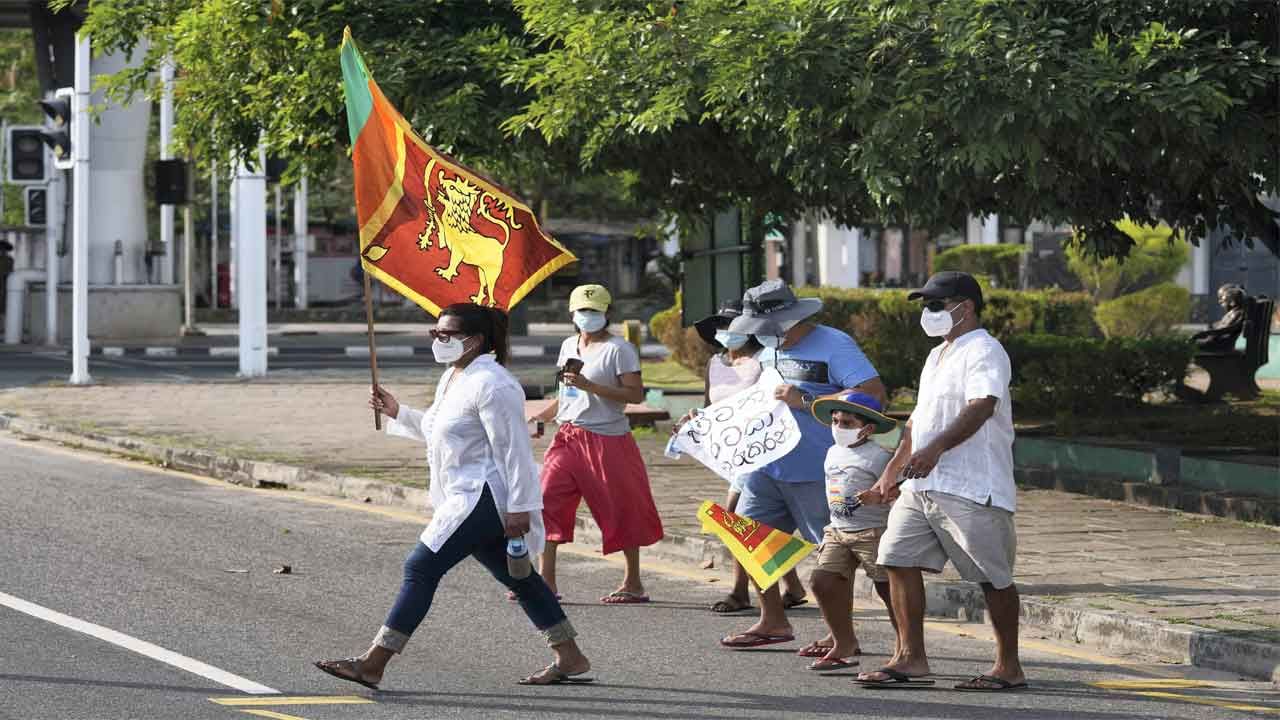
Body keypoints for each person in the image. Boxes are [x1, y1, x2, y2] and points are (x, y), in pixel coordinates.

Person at [314, 303, 591, 688]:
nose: (438, 341)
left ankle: (374, 661)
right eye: (435, 334)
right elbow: (439, 430)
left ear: (475, 340)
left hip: (484, 497)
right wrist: (398, 412)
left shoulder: (494, 384)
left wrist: (520, 508)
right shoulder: (454, 378)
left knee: (420, 568)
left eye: (446, 335)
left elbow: (514, 451)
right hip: (461, 495)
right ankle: (570, 656)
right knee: (521, 578)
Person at [856, 271, 1026, 691]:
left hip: (972, 485)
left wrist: (936, 451)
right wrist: (890, 473)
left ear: (964, 308)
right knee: (894, 558)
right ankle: (911, 658)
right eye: (925, 306)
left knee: (993, 577)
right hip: (921, 486)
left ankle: (1008, 667)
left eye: (935, 305)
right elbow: (916, 424)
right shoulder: (937, 356)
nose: (927, 313)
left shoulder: (985, 350)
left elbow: (982, 406)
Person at [717, 279, 887, 652]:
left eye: (766, 330)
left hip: (818, 469)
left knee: (837, 555)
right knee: (748, 537)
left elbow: (873, 395)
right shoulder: (766, 349)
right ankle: (772, 620)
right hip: (766, 464)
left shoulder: (835, 344)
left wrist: (808, 398)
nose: (761, 337)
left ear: (790, 321)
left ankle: (843, 635)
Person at [528, 284, 664, 603]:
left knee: (622, 507)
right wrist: (540, 418)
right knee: (546, 501)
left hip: (607, 439)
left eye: (595, 311)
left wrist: (591, 385)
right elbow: (566, 394)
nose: (588, 317)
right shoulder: (568, 346)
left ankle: (633, 582)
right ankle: (545, 583)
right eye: (582, 311)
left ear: (607, 313)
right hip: (567, 437)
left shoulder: (619, 349)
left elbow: (634, 395)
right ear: (572, 314)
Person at [685, 300, 807, 614]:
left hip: (760, 451)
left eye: (734, 325)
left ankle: (740, 591)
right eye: (723, 326)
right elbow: (711, 408)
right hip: (732, 451)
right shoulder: (715, 363)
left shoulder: (765, 360)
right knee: (758, 527)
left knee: (736, 523)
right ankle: (791, 585)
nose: (729, 332)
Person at [804, 391, 900, 671]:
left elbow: (900, 487)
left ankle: (905, 646)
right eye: (835, 421)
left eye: (847, 423)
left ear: (868, 428)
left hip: (873, 532)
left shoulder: (881, 456)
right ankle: (843, 643)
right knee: (822, 582)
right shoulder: (833, 451)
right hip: (837, 530)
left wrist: (881, 495)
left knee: (889, 590)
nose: (838, 427)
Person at [1192, 283, 1248, 351]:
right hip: (1215, 341)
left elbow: (1228, 329)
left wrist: (1205, 333)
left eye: (1224, 302)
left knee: (1188, 345)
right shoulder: (1232, 313)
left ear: (1232, 302)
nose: (1221, 303)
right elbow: (1222, 326)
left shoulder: (1238, 313)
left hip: (1220, 345)